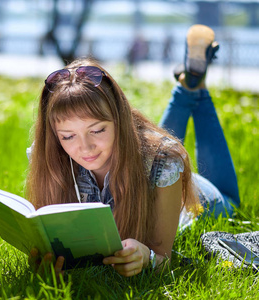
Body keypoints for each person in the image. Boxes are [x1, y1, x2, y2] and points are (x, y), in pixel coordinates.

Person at [25, 24, 240, 277]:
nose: (85, 147)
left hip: (203, 202)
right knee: (155, 148)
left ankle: (195, 87)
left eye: (97, 131)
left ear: (120, 120)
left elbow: (165, 258)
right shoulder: (50, 154)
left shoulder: (164, 162)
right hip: (148, 158)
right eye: (68, 136)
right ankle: (190, 82)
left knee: (226, 197)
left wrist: (147, 257)